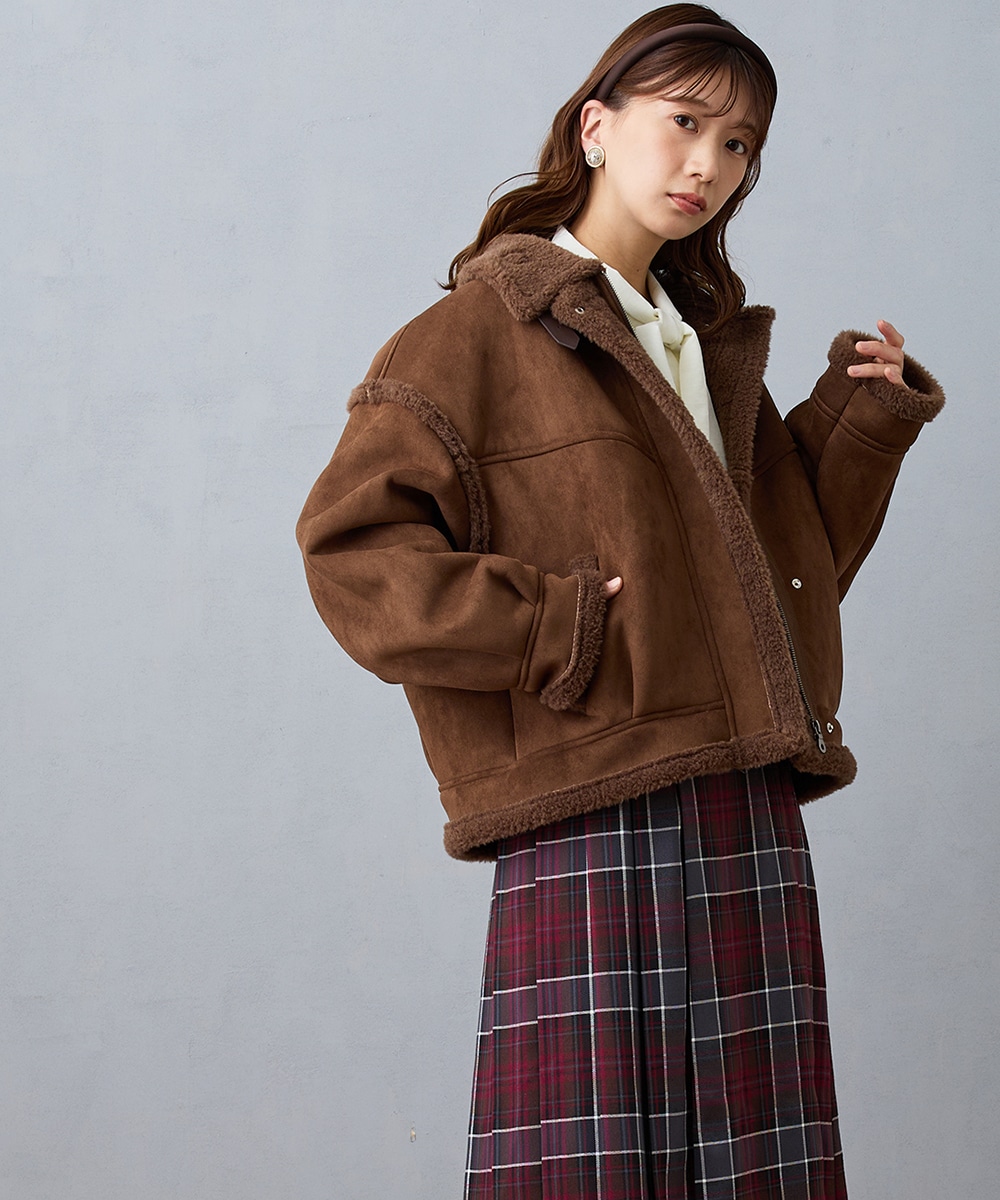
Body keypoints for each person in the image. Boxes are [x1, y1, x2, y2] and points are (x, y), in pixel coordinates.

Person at [296, 5, 944, 1197]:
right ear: (595, 128)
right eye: (683, 122)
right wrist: (559, 628)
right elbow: (352, 557)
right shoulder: (472, 336)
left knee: (760, 1164)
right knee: (593, 1165)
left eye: (739, 144)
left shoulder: (696, 344)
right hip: (595, 796)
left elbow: (784, 576)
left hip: (743, 791)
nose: (709, 164)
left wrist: (862, 423)